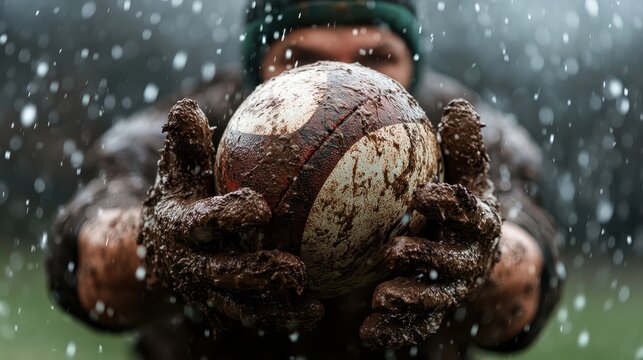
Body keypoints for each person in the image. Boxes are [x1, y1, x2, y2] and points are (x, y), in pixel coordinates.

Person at [45, 0, 564, 359]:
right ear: (256, 66)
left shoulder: (465, 133)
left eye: (376, 58)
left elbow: (529, 271)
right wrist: (154, 252)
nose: (346, 88)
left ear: (414, 63)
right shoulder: (194, 129)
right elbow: (88, 250)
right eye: (304, 59)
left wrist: (485, 257)